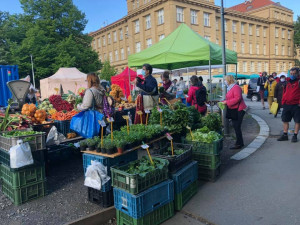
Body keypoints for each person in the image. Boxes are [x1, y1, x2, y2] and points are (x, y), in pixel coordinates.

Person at [223, 75, 247, 149]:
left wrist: (227, 102)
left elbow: (238, 98)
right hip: (235, 109)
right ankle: (240, 142)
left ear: (229, 80)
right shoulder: (231, 88)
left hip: (239, 109)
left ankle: (239, 143)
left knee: (236, 126)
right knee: (236, 126)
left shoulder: (236, 87)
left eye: (225, 80)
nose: (225, 82)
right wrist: (225, 101)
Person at [277, 67, 300, 143]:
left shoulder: (299, 82)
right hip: (287, 104)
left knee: (297, 121)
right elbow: (284, 92)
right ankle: (285, 135)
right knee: (285, 120)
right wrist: (283, 102)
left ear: (297, 74)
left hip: (296, 105)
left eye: (294, 74)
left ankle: (295, 135)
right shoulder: (287, 82)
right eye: (291, 73)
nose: (292, 75)